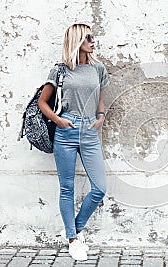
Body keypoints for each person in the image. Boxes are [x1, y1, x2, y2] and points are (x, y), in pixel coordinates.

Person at [38, 23, 110, 261]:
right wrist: (58, 121)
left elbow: (100, 99)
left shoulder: (98, 68)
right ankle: (72, 240)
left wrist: (100, 118)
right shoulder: (60, 71)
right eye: (87, 37)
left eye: (92, 36)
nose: (93, 40)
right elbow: (43, 103)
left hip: (89, 130)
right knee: (67, 188)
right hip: (66, 130)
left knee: (99, 188)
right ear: (76, 41)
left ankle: (75, 230)